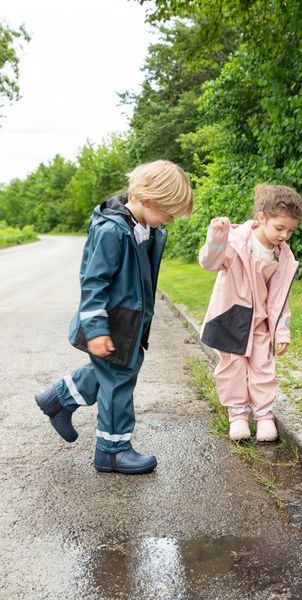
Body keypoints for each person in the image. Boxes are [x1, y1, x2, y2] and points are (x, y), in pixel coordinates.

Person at [35, 160, 193, 474]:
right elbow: (93, 283)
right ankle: (112, 451)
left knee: (116, 371)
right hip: (111, 322)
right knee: (118, 383)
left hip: (129, 322)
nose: (170, 221)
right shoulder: (112, 231)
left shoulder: (145, 226)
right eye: (169, 213)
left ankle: (59, 398)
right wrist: (96, 329)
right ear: (147, 201)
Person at [199, 184, 302, 442]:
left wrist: (281, 330)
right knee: (233, 367)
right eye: (279, 228)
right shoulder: (235, 241)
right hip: (230, 316)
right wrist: (216, 237)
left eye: (290, 230)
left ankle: (264, 415)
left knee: (263, 368)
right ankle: (237, 415)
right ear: (261, 218)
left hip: (259, 321)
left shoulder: (282, 255)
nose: (284, 236)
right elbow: (210, 263)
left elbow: (280, 298)